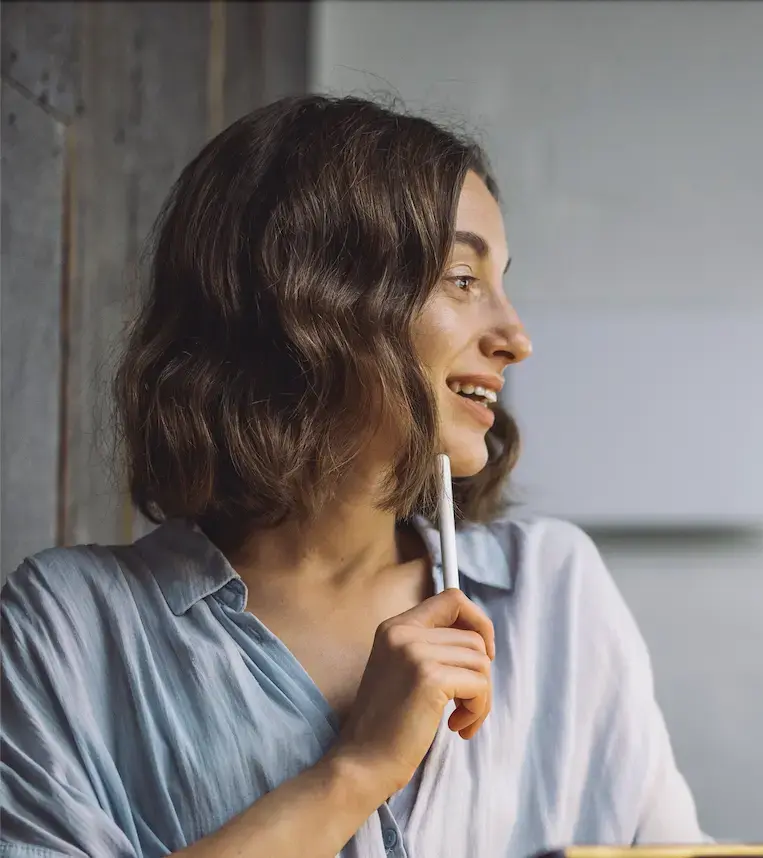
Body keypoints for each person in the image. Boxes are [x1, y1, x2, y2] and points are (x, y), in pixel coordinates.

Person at [0, 95, 708, 858]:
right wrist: (357, 769)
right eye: (463, 279)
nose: (515, 337)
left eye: (500, 282)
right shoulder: (69, 626)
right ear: (308, 298)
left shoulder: (555, 590)